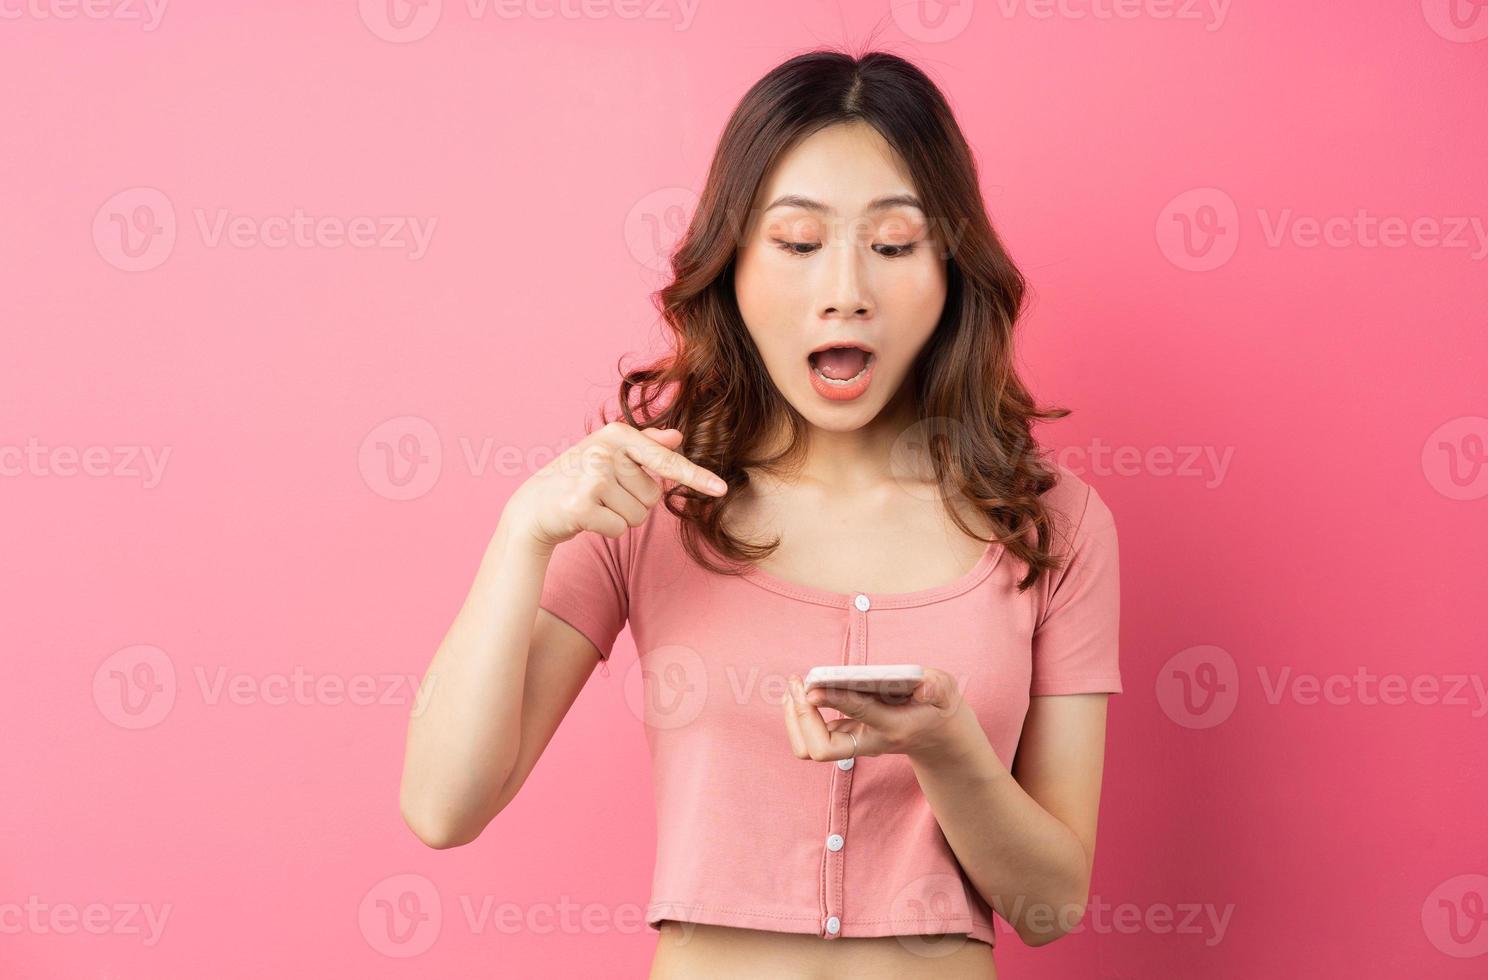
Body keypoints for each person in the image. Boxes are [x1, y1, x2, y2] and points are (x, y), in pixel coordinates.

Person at [399, 48, 1122, 980]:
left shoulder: (1052, 522)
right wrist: (520, 534)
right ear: (733, 265)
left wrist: (949, 750)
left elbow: (1050, 907)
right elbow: (441, 807)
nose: (846, 289)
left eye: (894, 245)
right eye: (797, 242)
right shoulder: (647, 496)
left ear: (950, 271)